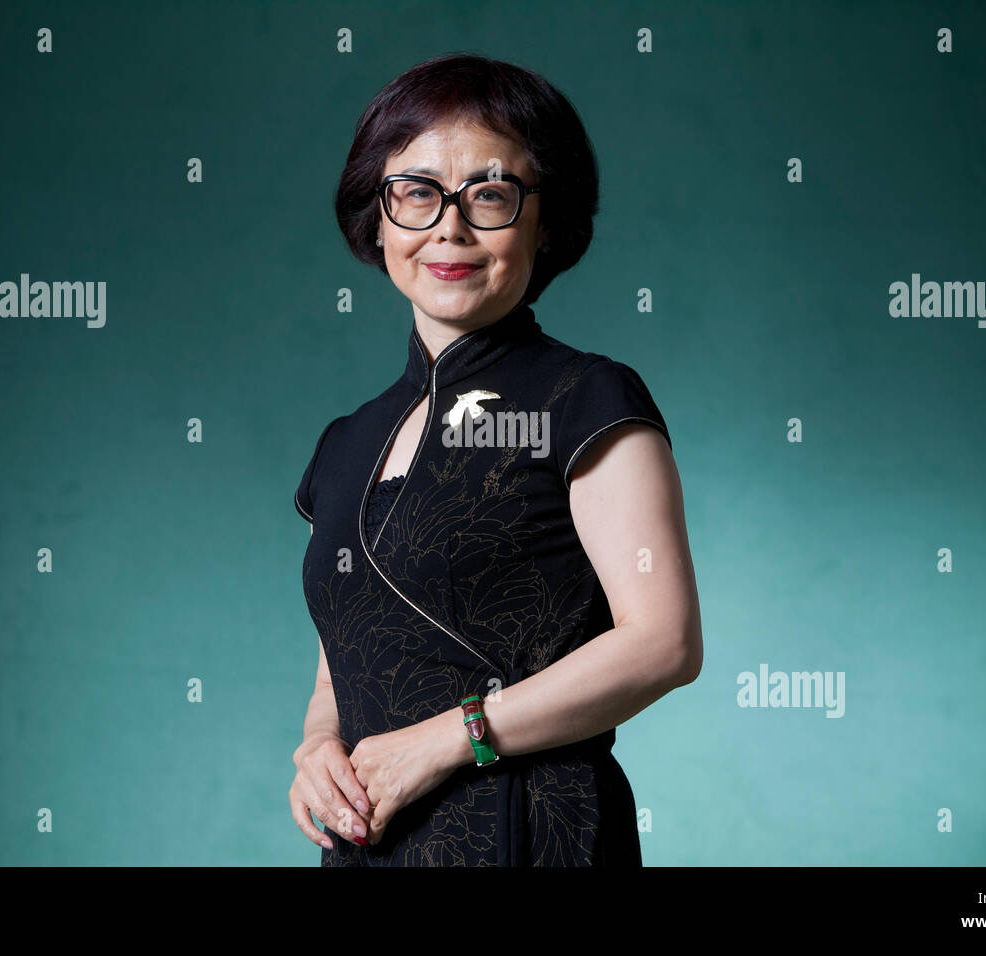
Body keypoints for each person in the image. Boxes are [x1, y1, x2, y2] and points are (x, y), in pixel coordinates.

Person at [289, 53, 702, 866]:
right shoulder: (346, 441)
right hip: (371, 842)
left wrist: (450, 740)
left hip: (530, 833)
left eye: (489, 193)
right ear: (378, 219)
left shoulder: (585, 398)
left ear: (545, 223)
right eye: (415, 193)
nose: (449, 227)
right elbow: (347, 659)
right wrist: (316, 749)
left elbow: (663, 642)